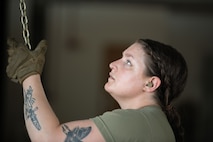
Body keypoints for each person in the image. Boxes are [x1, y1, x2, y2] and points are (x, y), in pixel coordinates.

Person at [6, 37, 188, 142]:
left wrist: (28, 73)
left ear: (150, 84)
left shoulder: (136, 121)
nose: (113, 64)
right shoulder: (152, 122)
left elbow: (48, 139)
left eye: (128, 62)